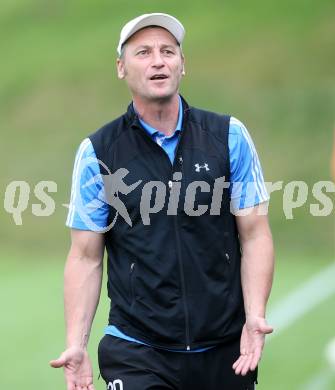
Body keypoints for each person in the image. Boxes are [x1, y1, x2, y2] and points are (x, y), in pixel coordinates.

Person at [50, 13, 274, 390]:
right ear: (121, 68)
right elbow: (85, 256)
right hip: (138, 350)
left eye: (168, 51)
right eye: (143, 52)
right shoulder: (98, 152)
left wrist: (255, 316)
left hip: (224, 347)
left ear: (182, 65)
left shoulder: (228, 136)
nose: (158, 60)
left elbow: (254, 235)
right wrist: (77, 343)